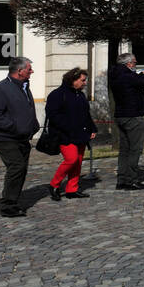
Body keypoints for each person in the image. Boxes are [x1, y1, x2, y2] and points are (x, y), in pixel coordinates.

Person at [0, 56, 39, 218]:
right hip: (5, 138)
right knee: (16, 166)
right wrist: (14, 127)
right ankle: (6, 205)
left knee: (21, 169)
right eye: (29, 69)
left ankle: (13, 201)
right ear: (20, 71)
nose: (32, 72)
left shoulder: (23, 86)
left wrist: (33, 125)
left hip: (22, 138)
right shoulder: (0, 89)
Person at [45, 67, 98, 200]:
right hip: (64, 134)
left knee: (78, 161)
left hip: (81, 134)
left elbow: (86, 114)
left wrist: (92, 128)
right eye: (82, 80)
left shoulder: (80, 95)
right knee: (71, 159)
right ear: (73, 80)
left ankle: (72, 189)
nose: (85, 83)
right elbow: (53, 115)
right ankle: (54, 185)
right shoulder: (57, 94)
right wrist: (70, 127)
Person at [109, 52, 144, 190]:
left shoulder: (117, 75)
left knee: (124, 150)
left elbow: (134, 80)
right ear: (129, 63)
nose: (135, 65)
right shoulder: (127, 76)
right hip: (133, 117)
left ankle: (122, 180)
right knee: (135, 149)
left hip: (121, 116)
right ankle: (131, 180)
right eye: (135, 63)